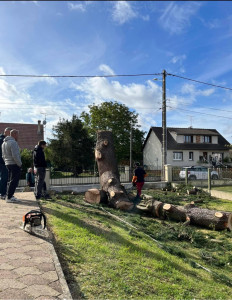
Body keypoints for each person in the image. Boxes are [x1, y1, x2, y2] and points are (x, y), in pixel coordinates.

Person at [2, 129, 22, 203]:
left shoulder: (4, 143)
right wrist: (19, 164)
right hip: (14, 164)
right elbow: (15, 155)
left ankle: (9, 195)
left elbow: (3, 155)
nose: (18, 137)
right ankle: (9, 197)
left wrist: (6, 162)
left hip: (8, 163)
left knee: (10, 180)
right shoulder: (13, 142)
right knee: (14, 181)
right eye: (17, 135)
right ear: (14, 134)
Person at [0, 127, 12, 199]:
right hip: (2, 161)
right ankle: (3, 193)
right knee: (4, 177)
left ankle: (3, 193)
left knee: (3, 177)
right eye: (10, 133)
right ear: (7, 132)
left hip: (3, 161)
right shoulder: (2, 140)